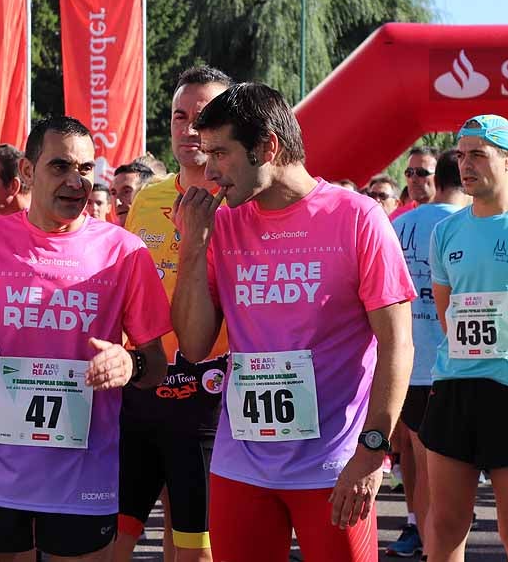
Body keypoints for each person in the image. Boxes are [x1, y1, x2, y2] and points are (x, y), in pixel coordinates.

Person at [172, 83, 415, 562]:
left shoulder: (357, 218)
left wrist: (372, 450)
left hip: (333, 466)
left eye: (221, 153)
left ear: (268, 146)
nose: (210, 170)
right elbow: (195, 345)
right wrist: (193, 247)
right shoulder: (223, 223)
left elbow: (398, 344)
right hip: (240, 465)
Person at [0, 116, 169, 560]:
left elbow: (156, 366)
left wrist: (129, 364)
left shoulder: (124, 251)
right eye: (61, 167)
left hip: (81, 479)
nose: (77, 181)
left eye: (87, 169)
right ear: (29, 172)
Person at [421, 115, 508, 562]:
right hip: (455, 385)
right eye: (462, 155)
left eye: (478, 154)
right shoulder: (446, 231)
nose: (466, 164)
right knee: (445, 523)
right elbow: (446, 314)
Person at [115, 66, 232, 562]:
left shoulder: (244, 203)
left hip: (207, 394)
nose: (188, 129)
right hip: (143, 389)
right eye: (179, 116)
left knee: (193, 548)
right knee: (109, 541)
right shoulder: (148, 197)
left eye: (202, 117)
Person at [385, 151, 469, 558]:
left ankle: (421, 533)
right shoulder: (466, 226)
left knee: (418, 460)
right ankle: (438, 545)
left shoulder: (397, 225)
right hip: (459, 366)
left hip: (410, 365)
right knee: (454, 472)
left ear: (437, 180)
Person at [391, 147, 439, 221]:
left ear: (439, 177)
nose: (413, 179)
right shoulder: (396, 218)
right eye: (409, 173)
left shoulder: (450, 216)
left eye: (421, 172)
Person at [110, 162, 154, 227]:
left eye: (126, 191)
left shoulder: (169, 228)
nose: (117, 203)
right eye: (113, 193)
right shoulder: (107, 235)